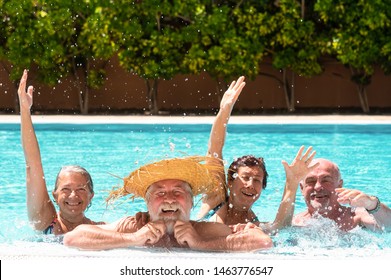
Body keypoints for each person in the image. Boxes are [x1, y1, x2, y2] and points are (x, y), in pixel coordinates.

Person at [63, 156, 273, 251]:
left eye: (178, 192)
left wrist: (200, 244)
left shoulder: (203, 230)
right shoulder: (133, 226)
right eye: (160, 192)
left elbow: (262, 241)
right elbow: (73, 237)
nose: (170, 199)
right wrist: (133, 238)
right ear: (147, 203)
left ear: (191, 202)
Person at [198, 76, 318, 234]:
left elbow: (280, 226)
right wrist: (224, 111)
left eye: (257, 180)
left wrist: (292, 183)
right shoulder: (215, 199)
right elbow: (214, 150)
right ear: (230, 182)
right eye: (245, 177)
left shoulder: (253, 223)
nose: (250, 185)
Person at [18, 70, 104, 235]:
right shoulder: (45, 221)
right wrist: (24, 109)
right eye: (66, 189)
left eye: (81, 189)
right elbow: (32, 164)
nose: (73, 195)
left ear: (91, 195)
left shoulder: (101, 229)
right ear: (55, 194)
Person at [293, 158, 391, 232]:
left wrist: (371, 204)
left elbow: (388, 227)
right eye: (311, 181)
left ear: (339, 185)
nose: (318, 187)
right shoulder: (294, 223)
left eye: (326, 180)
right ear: (302, 188)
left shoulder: (356, 217)